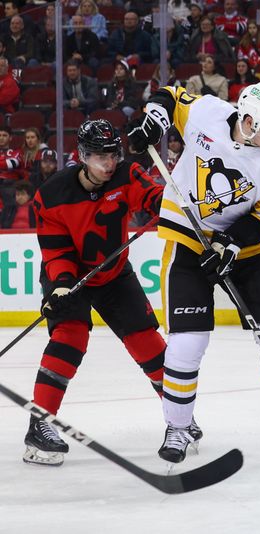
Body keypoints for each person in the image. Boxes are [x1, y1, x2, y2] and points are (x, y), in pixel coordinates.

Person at [126, 81, 260, 461]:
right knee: (186, 345)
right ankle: (178, 427)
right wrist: (154, 121)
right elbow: (171, 96)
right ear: (246, 120)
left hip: (245, 248)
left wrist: (231, 243)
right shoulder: (209, 112)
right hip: (189, 243)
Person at [22, 120, 169, 466]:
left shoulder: (126, 175)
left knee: (146, 341)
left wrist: (171, 203)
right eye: (100, 158)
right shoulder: (52, 195)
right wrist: (60, 283)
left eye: (113, 156)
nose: (108, 164)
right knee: (69, 337)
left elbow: (154, 198)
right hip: (70, 277)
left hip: (114, 274)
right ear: (82, 156)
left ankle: (180, 417)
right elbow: (56, 252)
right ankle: (39, 424)